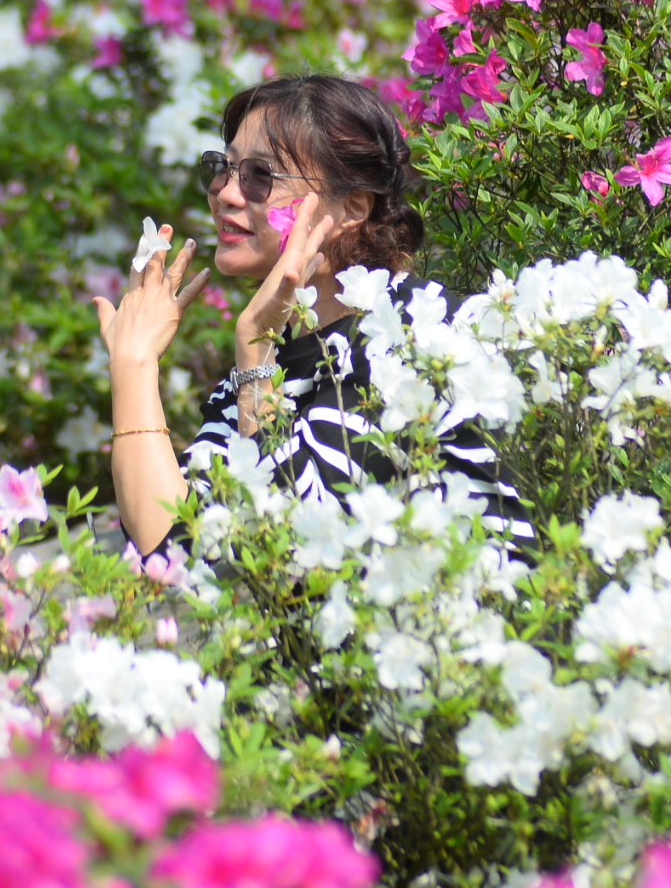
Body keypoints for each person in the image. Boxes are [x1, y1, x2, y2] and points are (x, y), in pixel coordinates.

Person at [93, 73, 522, 556]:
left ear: (353, 208)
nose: (226, 195)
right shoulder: (278, 361)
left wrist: (255, 346)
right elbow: (177, 551)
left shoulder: (413, 344)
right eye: (223, 168)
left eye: (260, 176)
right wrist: (133, 364)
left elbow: (275, 557)